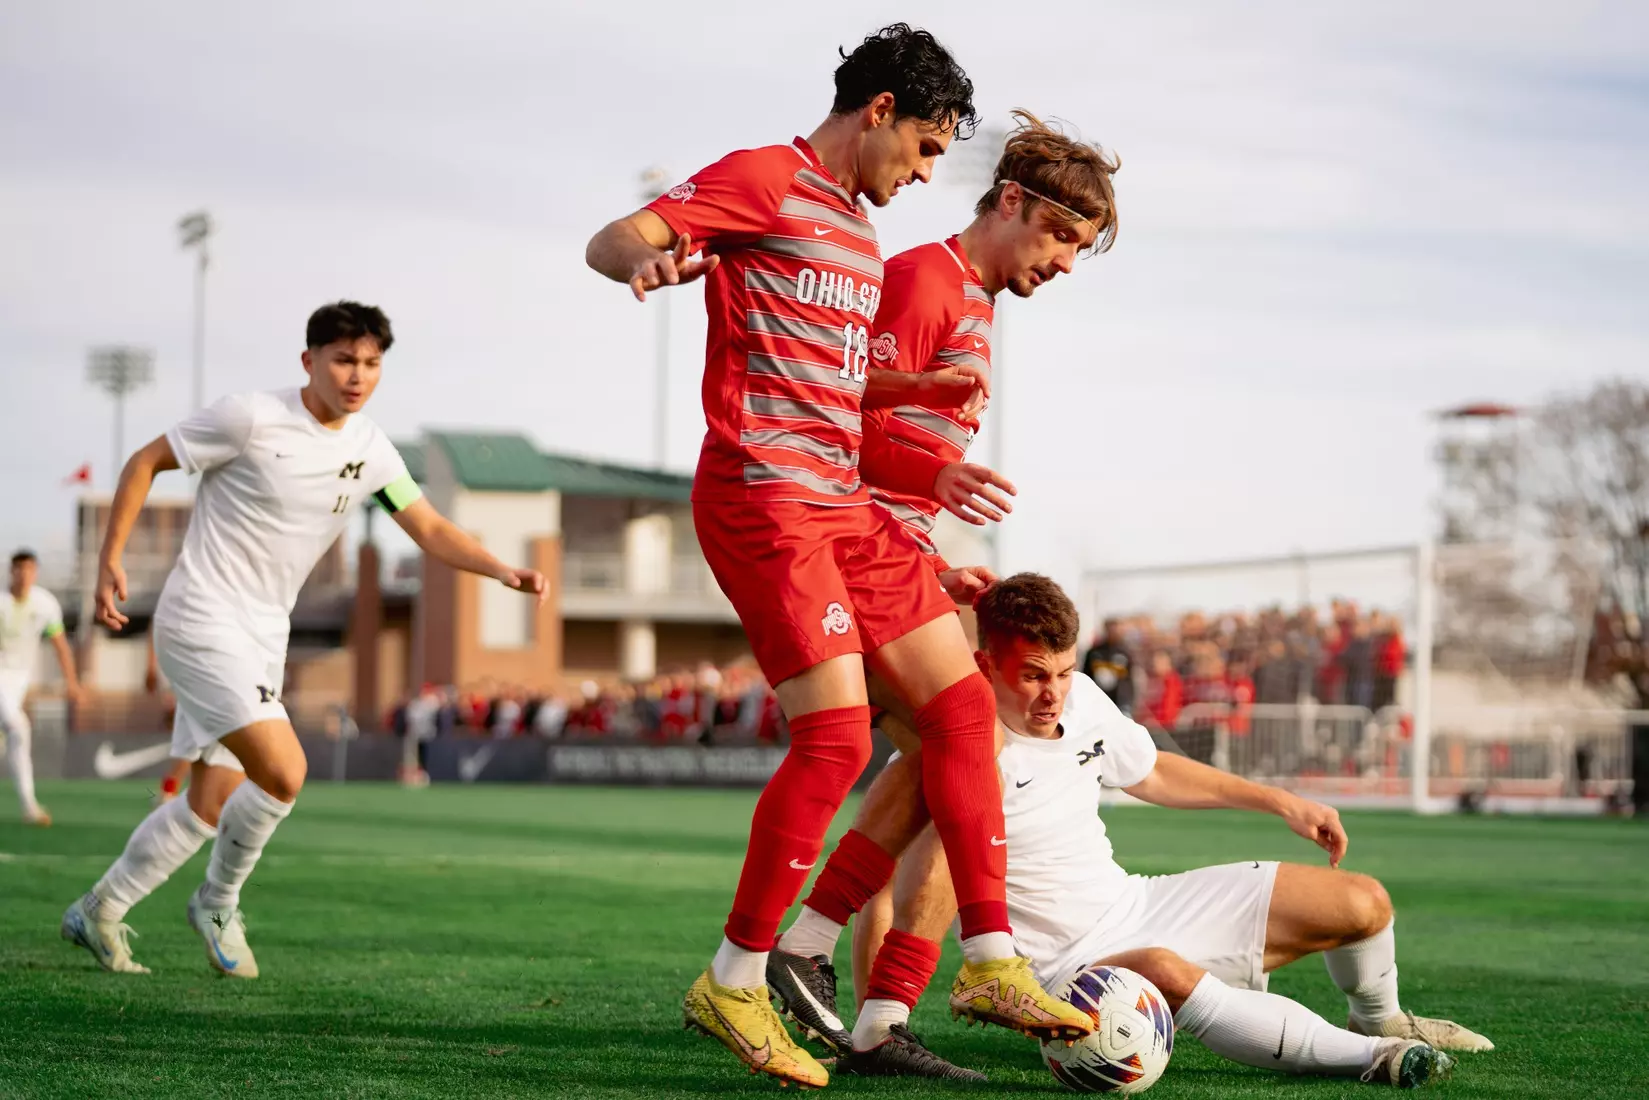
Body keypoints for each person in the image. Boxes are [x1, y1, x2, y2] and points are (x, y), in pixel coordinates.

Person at [583, 25, 1091, 1088]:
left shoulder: (858, 240)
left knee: (960, 712)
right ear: (876, 112)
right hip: (764, 493)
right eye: (917, 149)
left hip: (842, 503)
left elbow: (842, 390)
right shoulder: (766, 179)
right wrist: (649, 256)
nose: (918, 175)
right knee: (832, 740)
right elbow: (614, 237)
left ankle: (990, 959)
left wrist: (911, 411)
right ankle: (736, 976)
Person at [761, 112, 1121, 1077]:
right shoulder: (923, 277)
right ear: (1010, 202)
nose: (1067, 265)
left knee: (952, 761)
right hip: (843, 552)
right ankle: (839, 956)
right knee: (966, 745)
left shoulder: (974, 300)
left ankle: (868, 1005)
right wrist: (929, 490)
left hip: (896, 555)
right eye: (1062, 239)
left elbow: (899, 446)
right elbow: (829, 419)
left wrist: (934, 553)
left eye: (1081, 251)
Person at [60, 300, 547, 977]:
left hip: (264, 633)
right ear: (308, 360)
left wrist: (501, 569)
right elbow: (144, 461)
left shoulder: (371, 448)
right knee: (285, 771)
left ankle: (99, 910)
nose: (358, 376)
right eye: (344, 359)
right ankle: (218, 902)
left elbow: (430, 528)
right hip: (201, 616)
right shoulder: (250, 416)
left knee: (209, 802)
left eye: (372, 363)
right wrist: (110, 557)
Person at [849, 574, 1492, 1086]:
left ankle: (1382, 1017)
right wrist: (879, 1018)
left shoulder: (1082, 700)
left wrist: (1281, 803)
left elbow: (1151, 773)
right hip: (1055, 975)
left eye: (1065, 672)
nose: (1054, 693)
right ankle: (1374, 1056)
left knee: (1363, 902)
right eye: (1033, 675)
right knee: (1162, 967)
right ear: (986, 665)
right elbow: (882, 885)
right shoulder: (943, 753)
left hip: (1138, 902)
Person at [1, 549, 82, 825]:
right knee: (18, 726)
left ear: (35, 572)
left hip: (20, 678)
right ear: (11, 571)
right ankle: (30, 806)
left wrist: (72, 681)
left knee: (17, 737)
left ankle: (28, 806)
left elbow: (60, 645)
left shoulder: (45, 604)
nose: (24, 575)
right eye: (19, 569)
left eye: (29, 570)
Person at [1082, 617, 1134, 715]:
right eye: (1111, 629)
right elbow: (1086, 675)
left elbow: (1129, 680)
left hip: (1120, 702)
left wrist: (1128, 702)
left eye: (1116, 629)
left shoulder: (1125, 653)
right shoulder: (1094, 652)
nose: (1114, 632)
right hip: (1098, 702)